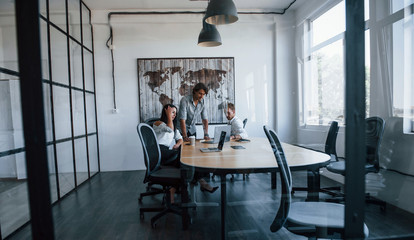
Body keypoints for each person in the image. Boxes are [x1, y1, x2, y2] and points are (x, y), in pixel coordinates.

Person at [178, 82, 218, 193]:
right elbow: (182, 120)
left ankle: (198, 181)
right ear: (194, 91)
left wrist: (206, 134)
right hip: (181, 131)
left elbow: (205, 119)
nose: (201, 96)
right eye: (200, 93)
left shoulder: (202, 102)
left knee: (196, 155)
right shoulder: (185, 100)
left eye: (203, 94)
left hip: (192, 130)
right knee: (186, 157)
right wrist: (184, 135)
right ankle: (189, 182)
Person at [153, 104, 183, 203]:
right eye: (172, 112)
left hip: (166, 152)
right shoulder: (157, 123)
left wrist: (178, 144)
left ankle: (173, 189)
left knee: (183, 161)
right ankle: (175, 189)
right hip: (158, 152)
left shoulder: (174, 127)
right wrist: (169, 115)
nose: (173, 115)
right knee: (181, 160)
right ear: (166, 112)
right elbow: (169, 129)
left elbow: (180, 139)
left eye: (175, 113)